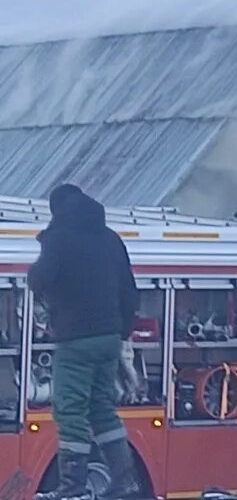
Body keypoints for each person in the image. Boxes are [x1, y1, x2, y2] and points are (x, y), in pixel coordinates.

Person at [29, 184, 140, 500]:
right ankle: (125, 481)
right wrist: (121, 334)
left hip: (76, 340)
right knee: (102, 408)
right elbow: (129, 292)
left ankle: (71, 488)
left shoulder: (58, 238)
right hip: (109, 339)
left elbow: (41, 280)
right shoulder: (111, 239)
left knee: (70, 410)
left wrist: (33, 271)